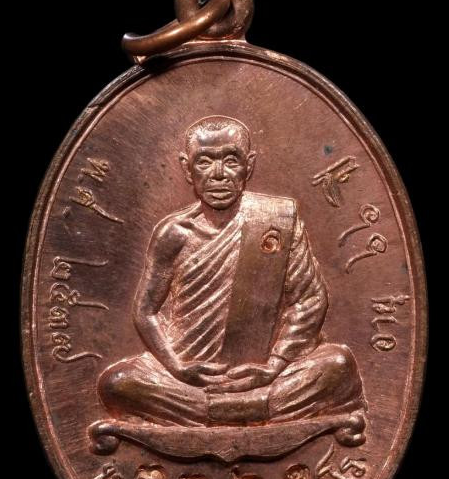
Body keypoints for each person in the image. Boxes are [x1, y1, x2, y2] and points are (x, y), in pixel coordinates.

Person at [98, 116, 364, 427]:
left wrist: (274, 366)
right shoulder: (174, 233)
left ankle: (214, 412)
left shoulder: (277, 221)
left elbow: (310, 300)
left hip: (262, 376)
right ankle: (251, 410)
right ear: (187, 168)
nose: (218, 174)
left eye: (231, 160)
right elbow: (146, 311)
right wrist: (177, 368)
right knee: (117, 383)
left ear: (249, 166)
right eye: (204, 161)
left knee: (338, 365)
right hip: (188, 379)